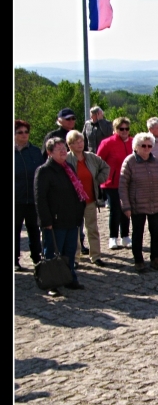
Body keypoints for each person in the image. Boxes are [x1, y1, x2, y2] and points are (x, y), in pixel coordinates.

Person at [35, 137, 88, 296]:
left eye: (64, 148)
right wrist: (46, 220)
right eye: (59, 149)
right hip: (54, 221)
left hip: (71, 219)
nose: (63, 152)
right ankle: (52, 283)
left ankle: (69, 278)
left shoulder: (68, 167)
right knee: (52, 253)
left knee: (69, 252)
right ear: (50, 152)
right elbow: (40, 198)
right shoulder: (44, 171)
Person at [119, 132, 158, 272]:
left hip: (155, 203)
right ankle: (138, 260)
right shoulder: (129, 162)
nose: (147, 148)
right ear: (136, 147)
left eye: (149, 146)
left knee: (156, 232)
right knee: (138, 233)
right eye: (143, 146)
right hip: (137, 204)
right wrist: (126, 206)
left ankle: (155, 259)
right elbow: (123, 186)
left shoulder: (155, 162)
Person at [66, 130, 110, 267]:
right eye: (76, 142)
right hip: (73, 202)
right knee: (74, 231)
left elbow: (106, 167)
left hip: (90, 200)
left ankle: (95, 256)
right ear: (70, 145)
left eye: (81, 141)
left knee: (92, 229)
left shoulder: (91, 157)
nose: (80, 144)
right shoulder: (66, 159)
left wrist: (98, 180)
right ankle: (75, 258)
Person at [97, 117, 134, 251]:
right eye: (121, 129)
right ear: (115, 129)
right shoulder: (107, 143)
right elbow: (99, 161)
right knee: (115, 209)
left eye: (126, 128)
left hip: (128, 182)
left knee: (126, 209)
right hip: (112, 183)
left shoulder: (133, 142)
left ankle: (125, 236)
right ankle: (113, 237)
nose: (124, 131)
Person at [15, 119, 45, 271]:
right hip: (16, 200)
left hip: (33, 199)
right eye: (20, 132)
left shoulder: (35, 151)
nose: (24, 135)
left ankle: (37, 258)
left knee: (34, 229)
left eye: (26, 132)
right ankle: (15, 260)